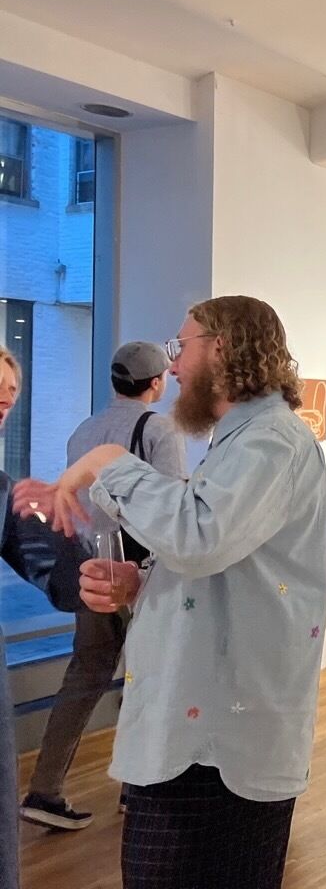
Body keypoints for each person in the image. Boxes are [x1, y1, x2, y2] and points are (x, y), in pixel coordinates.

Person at [15, 296, 326, 889]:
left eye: (181, 346)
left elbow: (198, 534)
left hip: (222, 740)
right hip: (197, 731)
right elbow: (221, 557)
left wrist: (109, 460)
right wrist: (142, 582)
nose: (176, 365)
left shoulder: (272, 441)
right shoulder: (239, 442)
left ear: (225, 348)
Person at [20, 341, 187, 830]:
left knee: (84, 674)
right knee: (149, 674)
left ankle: (44, 789)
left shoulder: (84, 431)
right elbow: (172, 506)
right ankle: (137, 789)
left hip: (88, 567)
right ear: (156, 383)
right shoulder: (160, 428)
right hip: (137, 572)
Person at [0, 345, 87, 889]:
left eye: (10, 393)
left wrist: (68, 530)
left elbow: (62, 580)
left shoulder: (5, 492)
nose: (6, 400)